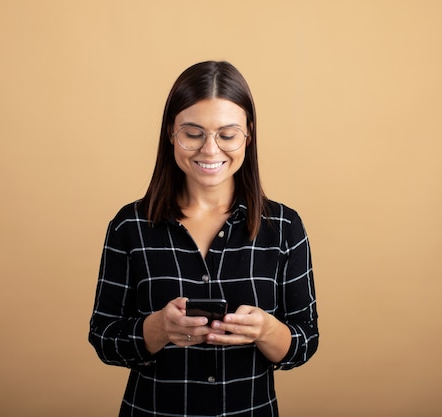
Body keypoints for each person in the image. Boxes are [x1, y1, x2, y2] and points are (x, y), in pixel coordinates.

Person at [89, 60, 319, 417]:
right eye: (193, 133)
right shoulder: (129, 225)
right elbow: (104, 338)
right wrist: (158, 329)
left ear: (249, 134)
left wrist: (266, 331)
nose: (210, 150)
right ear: (171, 133)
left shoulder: (284, 227)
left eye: (227, 135)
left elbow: (305, 342)